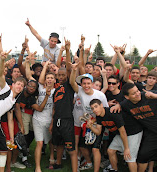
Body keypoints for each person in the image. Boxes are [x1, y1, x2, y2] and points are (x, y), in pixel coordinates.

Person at [111, 83, 157, 172]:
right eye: (134, 93)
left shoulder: (148, 95)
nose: (138, 94)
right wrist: (118, 105)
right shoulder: (126, 104)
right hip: (153, 133)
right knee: (143, 156)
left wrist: (155, 96)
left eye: (137, 91)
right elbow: (122, 104)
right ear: (127, 97)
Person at [70, 67, 109, 172]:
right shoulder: (80, 91)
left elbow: (105, 111)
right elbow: (72, 82)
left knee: (95, 149)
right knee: (83, 146)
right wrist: (74, 70)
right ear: (81, 85)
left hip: (98, 123)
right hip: (86, 124)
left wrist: (94, 121)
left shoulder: (100, 95)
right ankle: (89, 162)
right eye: (84, 83)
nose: (86, 86)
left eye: (88, 83)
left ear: (92, 83)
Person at [89, 99, 143, 172]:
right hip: (121, 134)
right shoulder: (99, 116)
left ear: (101, 105)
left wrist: (126, 149)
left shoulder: (112, 113)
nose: (94, 110)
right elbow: (98, 132)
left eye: (96, 106)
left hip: (132, 132)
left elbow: (122, 131)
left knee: (129, 158)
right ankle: (114, 170)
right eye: (92, 108)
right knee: (110, 151)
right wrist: (91, 126)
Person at [49, 38, 78, 172]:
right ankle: (58, 163)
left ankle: (74, 169)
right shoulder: (55, 90)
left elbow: (67, 66)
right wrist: (52, 122)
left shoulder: (69, 85)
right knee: (58, 144)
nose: (61, 76)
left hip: (67, 120)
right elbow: (54, 107)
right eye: (58, 75)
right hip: (57, 120)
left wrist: (67, 49)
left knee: (71, 148)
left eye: (63, 75)